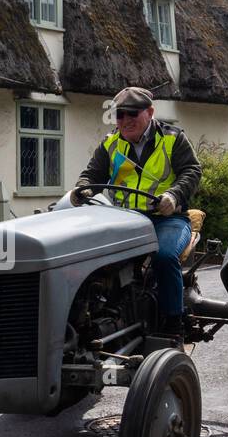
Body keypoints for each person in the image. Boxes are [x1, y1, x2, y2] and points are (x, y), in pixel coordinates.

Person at [71, 86, 202, 334]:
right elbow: (91, 175)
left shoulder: (173, 138)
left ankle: (174, 323)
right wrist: (84, 189)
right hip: (124, 220)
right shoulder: (110, 144)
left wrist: (173, 196)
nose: (125, 120)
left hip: (166, 219)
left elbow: (192, 171)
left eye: (132, 113)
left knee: (164, 256)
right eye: (120, 114)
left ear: (150, 112)